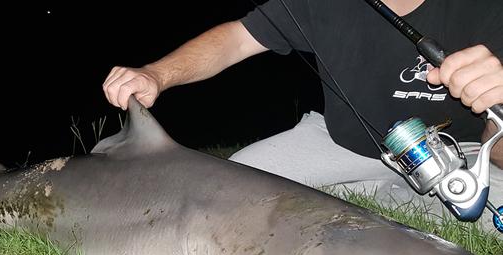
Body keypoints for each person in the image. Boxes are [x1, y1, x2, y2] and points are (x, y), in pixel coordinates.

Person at [102, 0, 503, 230]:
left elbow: (497, 148)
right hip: (337, 143)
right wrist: (156, 74)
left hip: (458, 155)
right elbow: (235, 39)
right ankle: (374, 196)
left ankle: (370, 198)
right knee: (225, 190)